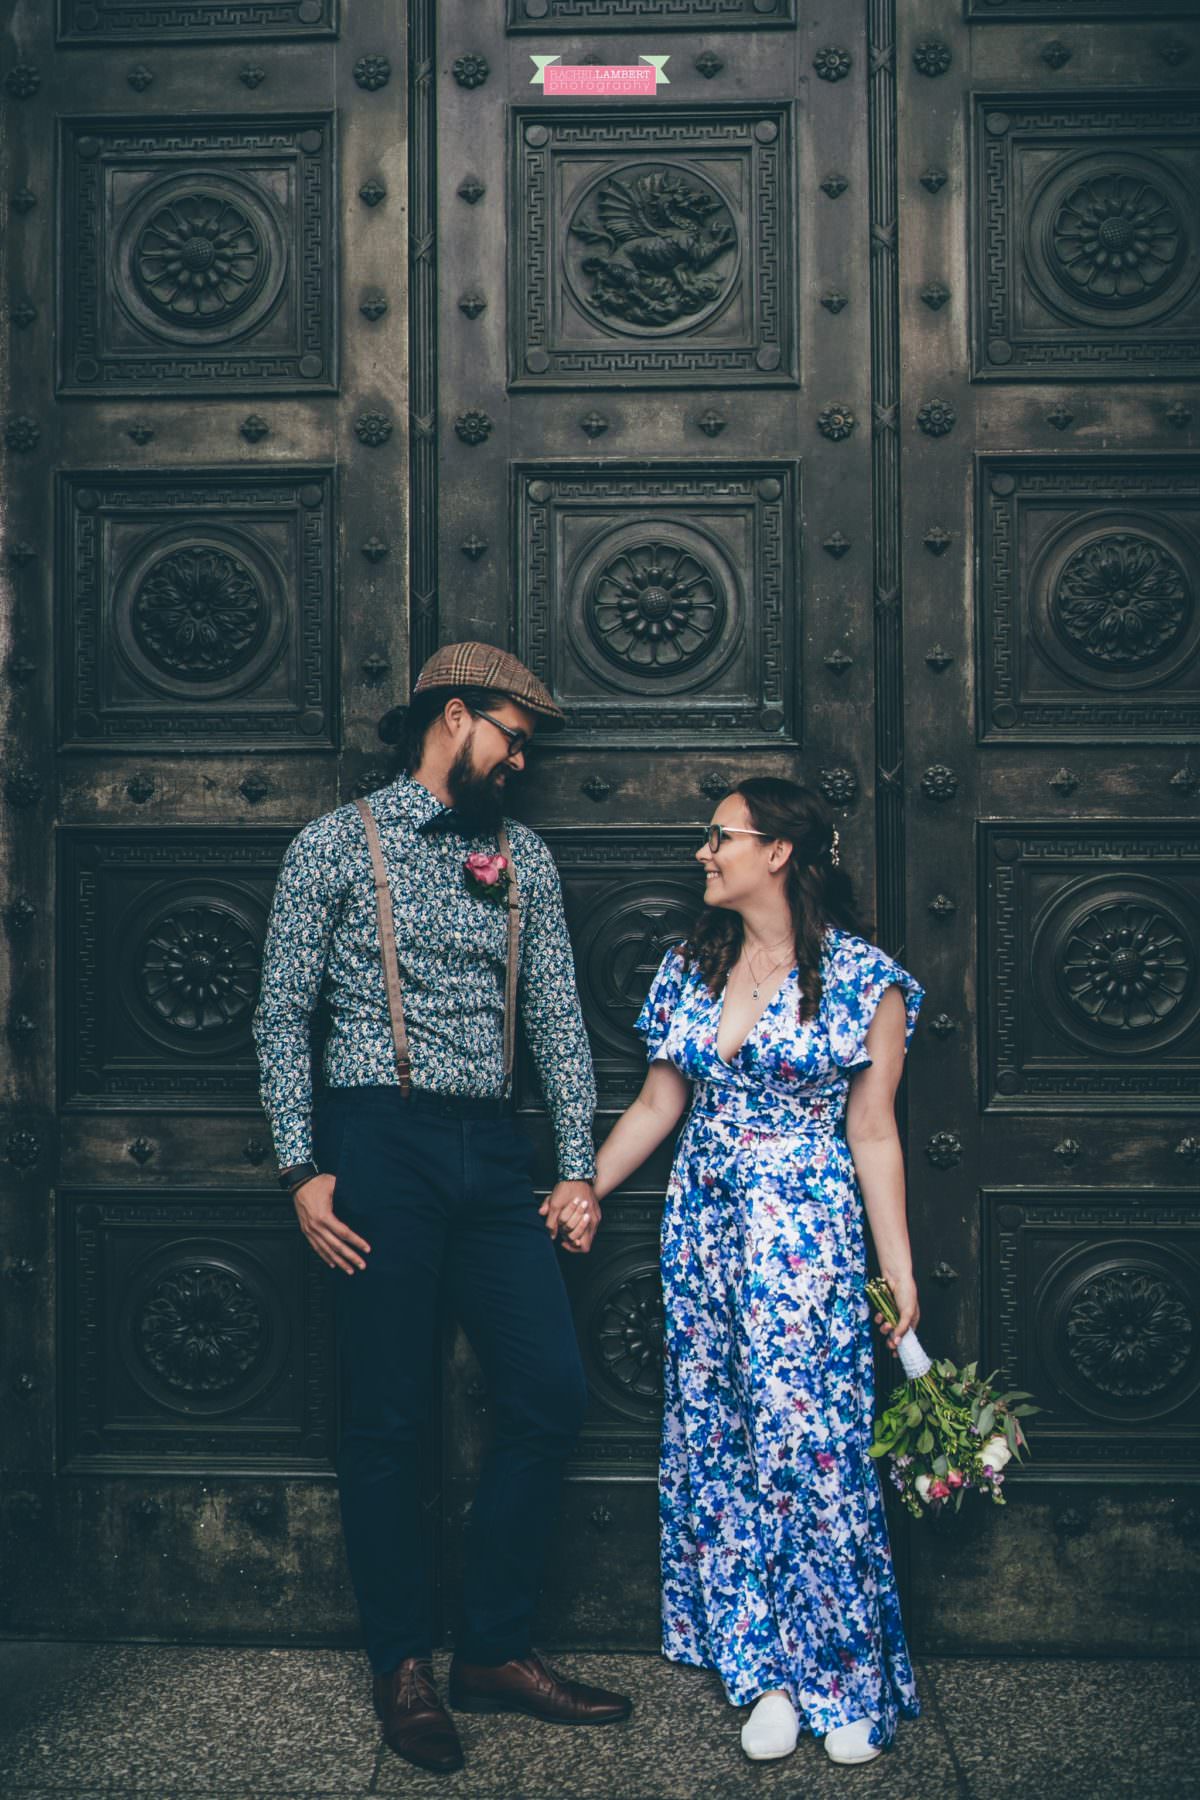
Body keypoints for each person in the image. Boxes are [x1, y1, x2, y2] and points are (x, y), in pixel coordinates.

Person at [252, 643, 632, 1777]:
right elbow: (282, 1019)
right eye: (513, 735)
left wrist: (574, 1169)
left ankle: (496, 1648)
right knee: (387, 1416)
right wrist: (302, 1169)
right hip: (379, 1142)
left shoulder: (527, 858)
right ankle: (404, 1664)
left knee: (552, 1392)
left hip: (491, 1151)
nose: (522, 759)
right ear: (452, 715)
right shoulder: (335, 844)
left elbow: (560, 1022)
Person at [593, 776, 922, 1767]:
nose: (704, 852)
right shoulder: (693, 963)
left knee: (807, 1447)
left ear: (778, 851)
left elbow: (874, 1133)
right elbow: (660, 1103)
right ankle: (766, 1668)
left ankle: (845, 1674)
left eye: (719, 836)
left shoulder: (868, 980)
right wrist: (588, 1187)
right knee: (723, 1439)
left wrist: (898, 1274)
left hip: (803, 1235)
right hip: (703, 1232)